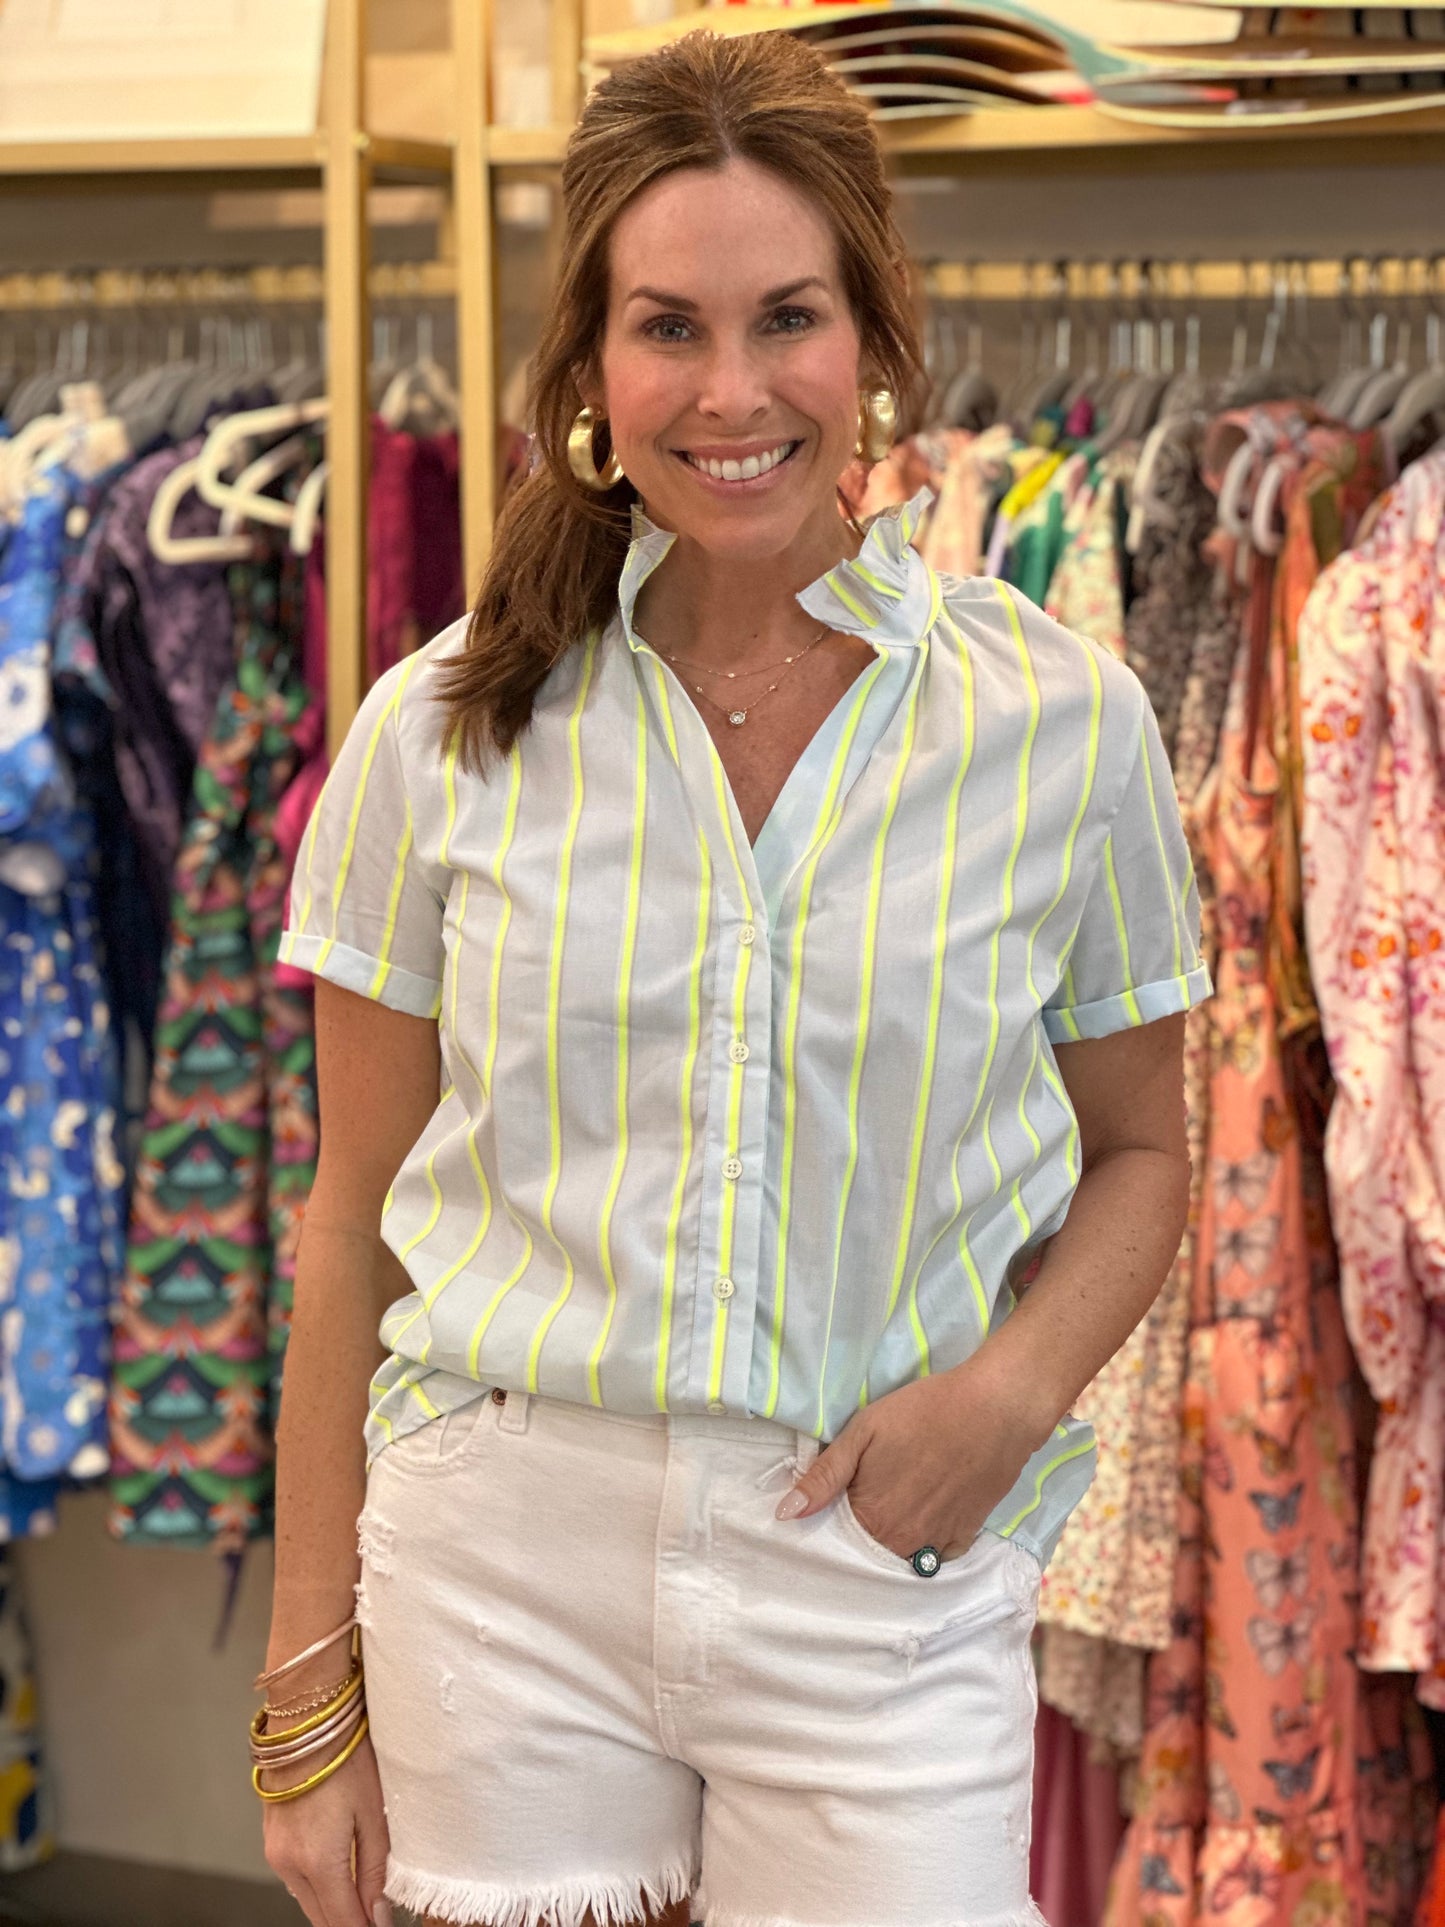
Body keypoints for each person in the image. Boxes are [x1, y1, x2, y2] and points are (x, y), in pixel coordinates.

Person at [256, 27, 1208, 1927]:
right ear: (590, 370)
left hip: (876, 1570)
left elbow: (1144, 1157)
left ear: (870, 339)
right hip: (491, 1571)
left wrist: (1010, 1395)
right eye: (666, 327)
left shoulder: (1060, 723)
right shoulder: (438, 729)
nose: (732, 390)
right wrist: (307, 1686)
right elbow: (351, 1223)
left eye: (785, 317)